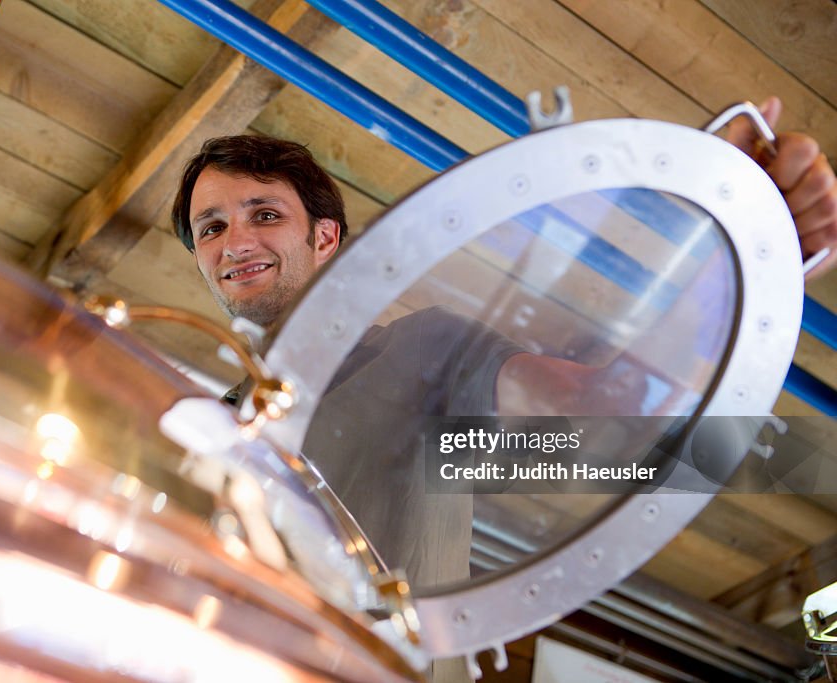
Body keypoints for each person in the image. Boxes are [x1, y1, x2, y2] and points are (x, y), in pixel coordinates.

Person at [169, 103, 836, 672]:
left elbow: (604, 420)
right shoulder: (201, 425)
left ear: (326, 237)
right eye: (212, 227)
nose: (233, 242)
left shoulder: (421, 356)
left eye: (263, 214)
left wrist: (737, 241)